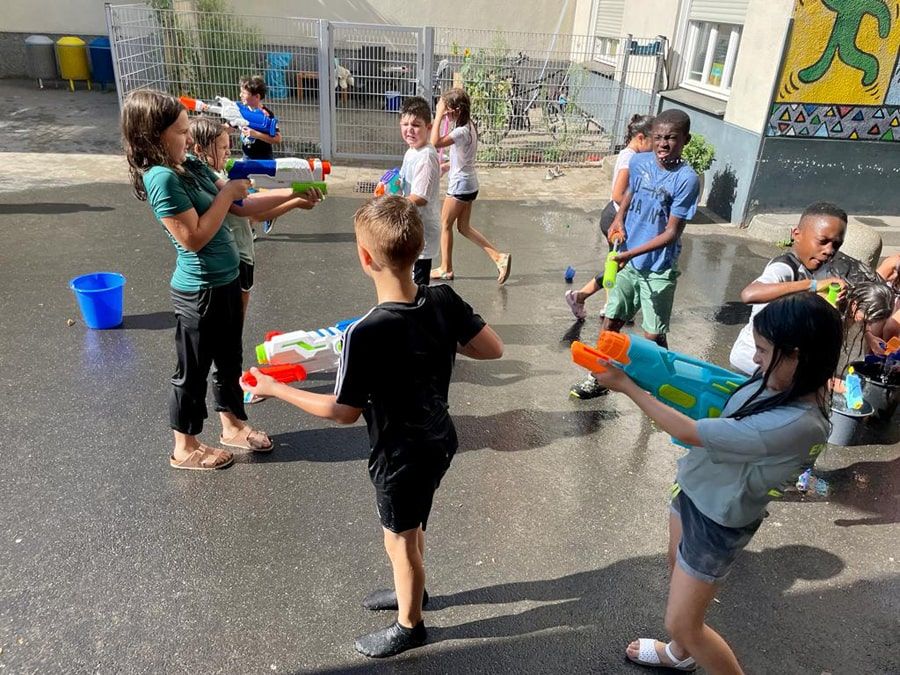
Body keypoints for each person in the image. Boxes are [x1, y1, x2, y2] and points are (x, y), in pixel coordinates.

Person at [241, 196, 503, 657]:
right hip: (440, 439)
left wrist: (275, 388)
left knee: (398, 541)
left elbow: (343, 412)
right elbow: (492, 348)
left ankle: (410, 624)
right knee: (413, 525)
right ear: (419, 248)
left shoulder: (365, 333)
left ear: (365, 258)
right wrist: (438, 339)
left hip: (399, 454)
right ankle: (411, 589)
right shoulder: (442, 298)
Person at [590, 292, 842, 674]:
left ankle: (685, 646)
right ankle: (679, 654)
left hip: (718, 521)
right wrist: (643, 367)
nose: (755, 360)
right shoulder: (783, 382)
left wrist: (627, 386)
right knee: (676, 562)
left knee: (684, 624)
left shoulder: (796, 423)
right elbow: (709, 389)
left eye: (763, 350)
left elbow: (690, 432)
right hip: (695, 490)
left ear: (797, 355)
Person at [122, 89, 299, 469]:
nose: (188, 139)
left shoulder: (189, 165)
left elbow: (242, 206)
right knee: (193, 370)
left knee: (229, 358)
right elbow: (194, 237)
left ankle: (232, 426)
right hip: (199, 290)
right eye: (180, 132)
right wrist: (228, 194)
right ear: (153, 136)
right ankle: (184, 447)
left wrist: (297, 193)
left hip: (227, 280)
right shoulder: (161, 179)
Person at [570, 109, 700, 400]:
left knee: (653, 335)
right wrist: (618, 220)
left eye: (671, 138)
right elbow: (630, 192)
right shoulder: (641, 162)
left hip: (658, 269)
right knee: (612, 321)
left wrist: (630, 254)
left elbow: (671, 233)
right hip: (629, 262)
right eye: (658, 137)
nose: (663, 144)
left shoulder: (686, 179)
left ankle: (664, 387)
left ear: (685, 140)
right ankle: (599, 377)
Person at [189, 116, 321, 321]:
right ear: (199, 150)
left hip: (241, 254)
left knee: (233, 324)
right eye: (223, 147)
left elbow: (254, 216)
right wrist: (294, 194)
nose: (228, 152)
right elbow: (249, 209)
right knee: (232, 324)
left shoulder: (218, 175)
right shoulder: (215, 182)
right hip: (235, 259)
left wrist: (295, 201)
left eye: (228, 147)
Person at [728, 202, 850, 375]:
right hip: (754, 360)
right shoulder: (784, 268)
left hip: (782, 360)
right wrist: (813, 286)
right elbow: (749, 294)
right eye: (822, 241)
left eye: (836, 245)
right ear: (796, 235)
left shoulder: (821, 269)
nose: (829, 250)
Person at [565, 113, 654, 319]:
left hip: (616, 216)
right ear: (641, 138)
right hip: (617, 218)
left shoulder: (630, 155)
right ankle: (587, 299)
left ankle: (590, 300)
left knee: (616, 265)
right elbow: (617, 194)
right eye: (654, 141)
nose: (656, 147)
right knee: (619, 265)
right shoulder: (630, 158)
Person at [429, 88, 511, 285]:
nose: (445, 112)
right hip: (469, 182)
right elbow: (463, 156)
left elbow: (435, 142)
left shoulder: (461, 131)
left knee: (445, 224)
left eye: (447, 109)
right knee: (463, 227)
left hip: (460, 185)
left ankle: (446, 268)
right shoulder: (468, 125)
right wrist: (448, 166)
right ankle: (499, 257)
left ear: (456, 110)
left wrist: (438, 114)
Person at [397, 96, 442, 286]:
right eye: (405, 124)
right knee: (409, 281)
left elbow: (420, 197)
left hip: (423, 229)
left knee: (418, 284)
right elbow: (403, 180)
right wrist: (391, 185)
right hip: (413, 225)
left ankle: (420, 306)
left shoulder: (426, 156)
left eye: (416, 125)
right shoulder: (412, 151)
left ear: (428, 128)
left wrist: (393, 205)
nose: (409, 129)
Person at [238, 75, 283, 236]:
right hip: (247, 159)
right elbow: (229, 127)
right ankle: (250, 231)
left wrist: (256, 134)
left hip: (263, 161)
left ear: (256, 97)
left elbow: (277, 138)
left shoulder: (266, 115)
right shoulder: (240, 111)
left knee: (261, 196)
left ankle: (269, 213)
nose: (241, 95)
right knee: (246, 195)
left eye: (244, 93)